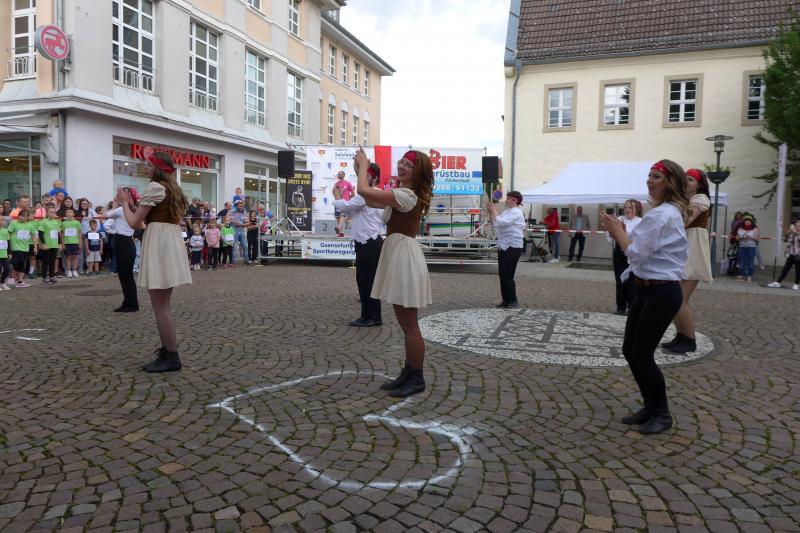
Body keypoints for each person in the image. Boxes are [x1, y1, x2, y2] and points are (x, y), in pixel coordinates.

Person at [600, 159, 688, 435]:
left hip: (661, 291)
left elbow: (636, 253)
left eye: (657, 177)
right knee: (631, 350)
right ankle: (650, 406)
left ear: (670, 182)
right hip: (647, 288)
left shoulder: (662, 215)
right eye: (649, 175)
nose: (650, 180)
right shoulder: (660, 212)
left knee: (642, 353)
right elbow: (642, 249)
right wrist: (621, 231)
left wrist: (618, 233)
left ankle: (662, 413)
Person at [353, 148, 433, 397]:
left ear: (418, 171)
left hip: (404, 257)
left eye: (408, 165)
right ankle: (409, 372)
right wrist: (360, 170)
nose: (401, 167)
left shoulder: (407, 195)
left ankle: (416, 377)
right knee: (405, 323)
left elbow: (364, 191)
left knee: (410, 325)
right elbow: (369, 199)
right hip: (400, 254)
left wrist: (364, 167)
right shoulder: (403, 193)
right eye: (401, 163)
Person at [116, 148, 191, 373]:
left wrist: (124, 203)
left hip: (159, 242)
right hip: (168, 240)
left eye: (149, 165)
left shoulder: (155, 187)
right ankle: (168, 352)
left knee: (160, 307)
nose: (146, 168)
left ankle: (171, 356)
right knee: (163, 305)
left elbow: (134, 223)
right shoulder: (172, 188)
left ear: (158, 168)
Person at [662, 169, 712, 353]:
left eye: (690, 180)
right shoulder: (684, 200)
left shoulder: (700, 199)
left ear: (699, 184)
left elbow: (686, 220)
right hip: (683, 251)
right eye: (685, 179)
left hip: (693, 252)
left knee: (681, 299)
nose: (686, 182)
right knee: (675, 299)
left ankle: (690, 340)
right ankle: (681, 336)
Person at [332, 162, 385, 327]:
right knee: (365, 279)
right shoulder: (372, 193)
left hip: (369, 241)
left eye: (367, 176)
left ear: (374, 178)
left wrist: (337, 195)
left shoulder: (367, 194)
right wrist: (360, 167)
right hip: (368, 241)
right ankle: (369, 315)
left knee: (367, 280)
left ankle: (372, 316)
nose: (363, 178)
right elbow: (349, 210)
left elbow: (346, 206)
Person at [488, 191, 526, 308]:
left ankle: (513, 301)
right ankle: (506, 300)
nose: (506, 200)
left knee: (508, 274)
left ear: (515, 200)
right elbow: (495, 224)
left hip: (513, 246)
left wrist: (494, 210)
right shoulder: (506, 212)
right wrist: (491, 212)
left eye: (509, 198)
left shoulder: (516, 212)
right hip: (504, 245)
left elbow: (502, 222)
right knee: (502, 274)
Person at [607, 199, 643, 315]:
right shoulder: (620, 219)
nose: (627, 209)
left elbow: (635, 237)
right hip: (619, 251)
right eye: (625, 207)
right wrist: (610, 226)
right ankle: (620, 306)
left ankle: (632, 306)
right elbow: (611, 235)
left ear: (636, 209)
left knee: (632, 280)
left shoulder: (640, 221)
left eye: (630, 207)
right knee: (619, 279)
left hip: (632, 252)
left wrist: (623, 230)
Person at [106, 193, 139, 312]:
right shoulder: (132, 210)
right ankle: (129, 301)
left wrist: (114, 205)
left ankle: (131, 303)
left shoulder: (121, 210)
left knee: (125, 275)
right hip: (128, 242)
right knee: (127, 275)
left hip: (122, 241)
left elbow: (107, 215)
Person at [8, 209, 38, 288]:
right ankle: (12, 277)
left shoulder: (30, 225)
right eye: (20, 215)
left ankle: (20, 282)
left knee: (22, 263)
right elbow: (9, 235)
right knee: (20, 262)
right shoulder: (14, 223)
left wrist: (35, 247)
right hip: (15, 247)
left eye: (24, 216)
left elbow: (33, 236)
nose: (21, 217)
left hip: (25, 247)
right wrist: (8, 247)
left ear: (28, 217)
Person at [768, 219, 800, 290]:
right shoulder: (792, 233)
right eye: (797, 225)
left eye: (799, 225)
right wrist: (787, 233)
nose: (798, 226)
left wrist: (795, 233)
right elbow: (786, 240)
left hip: (798, 255)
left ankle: (796, 284)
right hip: (791, 254)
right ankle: (778, 282)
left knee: (798, 270)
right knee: (785, 269)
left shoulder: (796, 233)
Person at [38, 205, 62, 285]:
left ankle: (52, 276)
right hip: (47, 245)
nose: (53, 214)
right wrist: (43, 244)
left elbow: (58, 233)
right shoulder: (43, 222)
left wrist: (59, 243)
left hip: (54, 245)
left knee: (52, 261)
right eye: (51, 212)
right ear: (47, 213)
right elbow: (40, 234)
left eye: (54, 212)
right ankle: (45, 277)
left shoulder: (56, 222)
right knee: (46, 261)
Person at [736, 214, 759, 282]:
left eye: (749, 221)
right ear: (744, 222)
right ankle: (742, 275)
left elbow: (757, 239)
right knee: (742, 261)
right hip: (742, 247)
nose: (747, 222)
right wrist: (742, 237)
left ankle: (749, 276)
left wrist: (751, 238)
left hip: (751, 247)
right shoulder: (740, 228)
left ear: (751, 222)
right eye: (746, 221)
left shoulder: (755, 229)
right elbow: (737, 238)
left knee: (750, 262)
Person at [61, 209, 82, 277]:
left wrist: (80, 243)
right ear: (66, 214)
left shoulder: (77, 223)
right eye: (67, 212)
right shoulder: (63, 223)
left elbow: (79, 234)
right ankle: (69, 270)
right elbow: (62, 235)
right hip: (67, 242)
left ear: (73, 214)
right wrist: (63, 243)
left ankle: (74, 270)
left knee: (75, 256)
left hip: (75, 242)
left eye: (70, 212)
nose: (69, 213)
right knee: (68, 257)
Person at [333, 171, 355, 237]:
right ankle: (340, 233)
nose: (338, 175)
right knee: (338, 218)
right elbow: (334, 192)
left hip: (345, 203)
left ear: (343, 175)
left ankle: (354, 233)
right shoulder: (336, 184)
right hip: (338, 203)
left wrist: (348, 198)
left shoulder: (348, 183)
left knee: (346, 217)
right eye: (338, 174)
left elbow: (353, 194)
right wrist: (338, 195)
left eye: (339, 174)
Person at [229, 199, 249, 264]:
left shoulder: (244, 213)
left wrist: (241, 225)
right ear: (236, 206)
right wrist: (234, 222)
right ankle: (234, 261)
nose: (241, 207)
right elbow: (226, 218)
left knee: (245, 245)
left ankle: (246, 260)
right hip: (234, 231)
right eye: (240, 206)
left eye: (242, 206)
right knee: (234, 247)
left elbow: (248, 223)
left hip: (242, 230)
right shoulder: (232, 211)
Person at [0, 217, 11, 290]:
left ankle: (2, 282)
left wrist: (9, 253)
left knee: (7, 269)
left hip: (4, 254)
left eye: (2, 220)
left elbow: (8, 242)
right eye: (0, 220)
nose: (1, 222)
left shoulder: (5, 231)